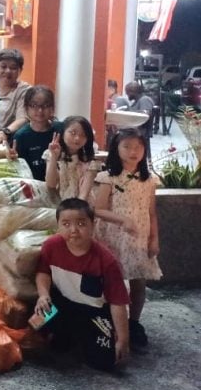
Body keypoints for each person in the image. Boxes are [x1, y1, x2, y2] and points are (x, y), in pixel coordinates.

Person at [32, 198, 130, 371]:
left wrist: (123, 340)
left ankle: (78, 336)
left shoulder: (106, 260)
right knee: (36, 324)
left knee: (106, 361)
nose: (73, 230)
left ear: (93, 225)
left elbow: (117, 303)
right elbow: (43, 272)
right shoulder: (51, 246)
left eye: (81, 223)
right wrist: (43, 295)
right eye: (66, 224)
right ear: (58, 226)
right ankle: (68, 335)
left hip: (95, 312)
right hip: (64, 303)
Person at [93, 127, 161, 351]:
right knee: (109, 280)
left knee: (138, 281)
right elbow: (98, 209)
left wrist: (154, 239)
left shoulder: (149, 180)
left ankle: (134, 322)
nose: (133, 151)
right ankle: (108, 320)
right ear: (116, 148)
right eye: (127, 146)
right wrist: (122, 220)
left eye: (138, 147)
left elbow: (152, 212)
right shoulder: (108, 177)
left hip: (138, 238)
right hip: (112, 237)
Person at [7, 86, 63, 181]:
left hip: (60, 183)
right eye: (34, 105)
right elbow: (20, 170)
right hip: (33, 184)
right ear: (26, 108)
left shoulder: (61, 129)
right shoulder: (21, 136)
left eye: (45, 105)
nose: (40, 110)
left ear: (52, 108)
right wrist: (13, 159)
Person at [45, 116, 98, 201]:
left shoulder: (90, 161)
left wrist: (76, 207)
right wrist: (54, 157)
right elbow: (51, 184)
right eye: (73, 133)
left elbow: (84, 195)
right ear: (63, 132)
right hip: (57, 203)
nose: (77, 138)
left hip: (81, 204)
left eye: (83, 135)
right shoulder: (50, 153)